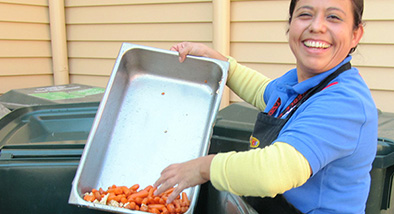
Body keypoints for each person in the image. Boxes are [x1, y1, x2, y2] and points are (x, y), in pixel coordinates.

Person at [153, 0, 377, 213]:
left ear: (355, 34)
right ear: (290, 25)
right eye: (305, 14)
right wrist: (217, 61)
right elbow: (263, 91)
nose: (317, 26)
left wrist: (201, 168)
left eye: (334, 17)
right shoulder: (299, 82)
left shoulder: (345, 101)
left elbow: (273, 173)